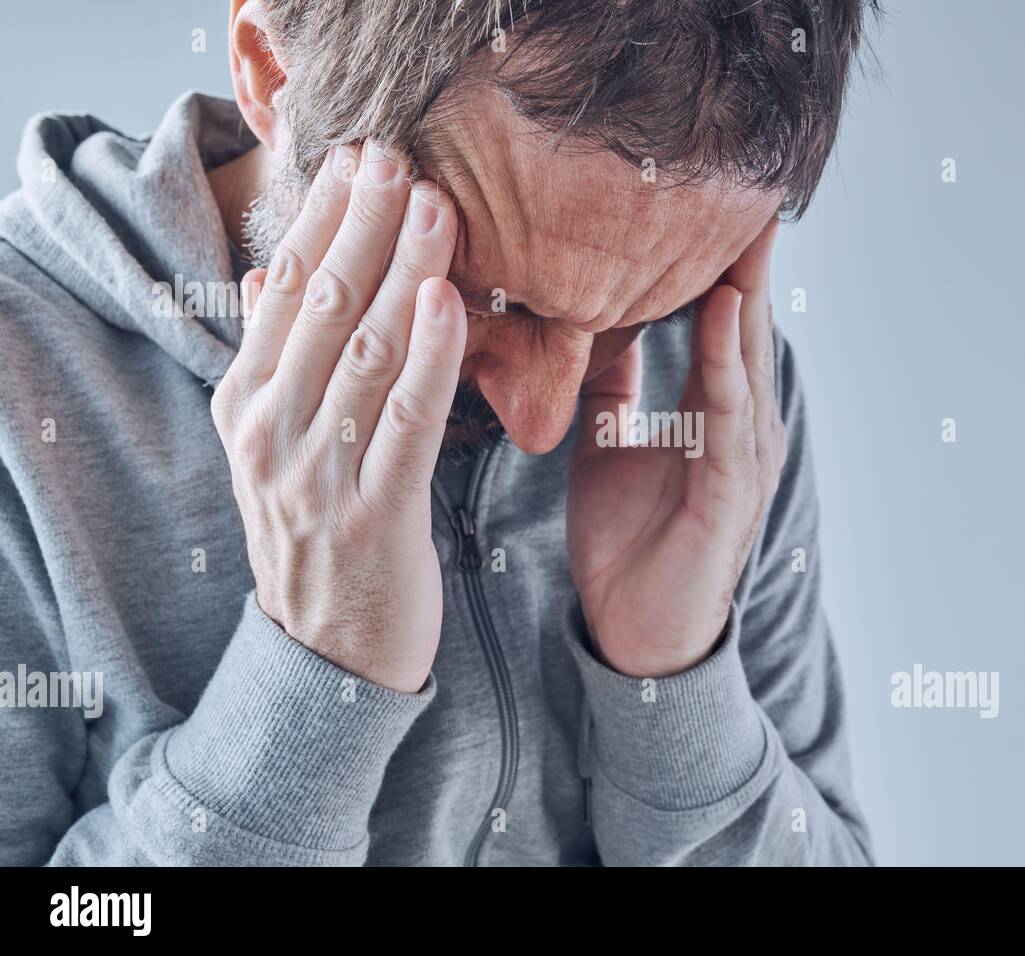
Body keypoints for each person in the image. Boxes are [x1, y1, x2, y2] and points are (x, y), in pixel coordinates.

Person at [0, 0, 874, 865]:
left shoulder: (706, 388)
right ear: (273, 70)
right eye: (501, 301)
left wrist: (677, 691)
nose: (544, 423)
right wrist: (313, 680)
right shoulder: (19, 401)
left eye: (643, 311)